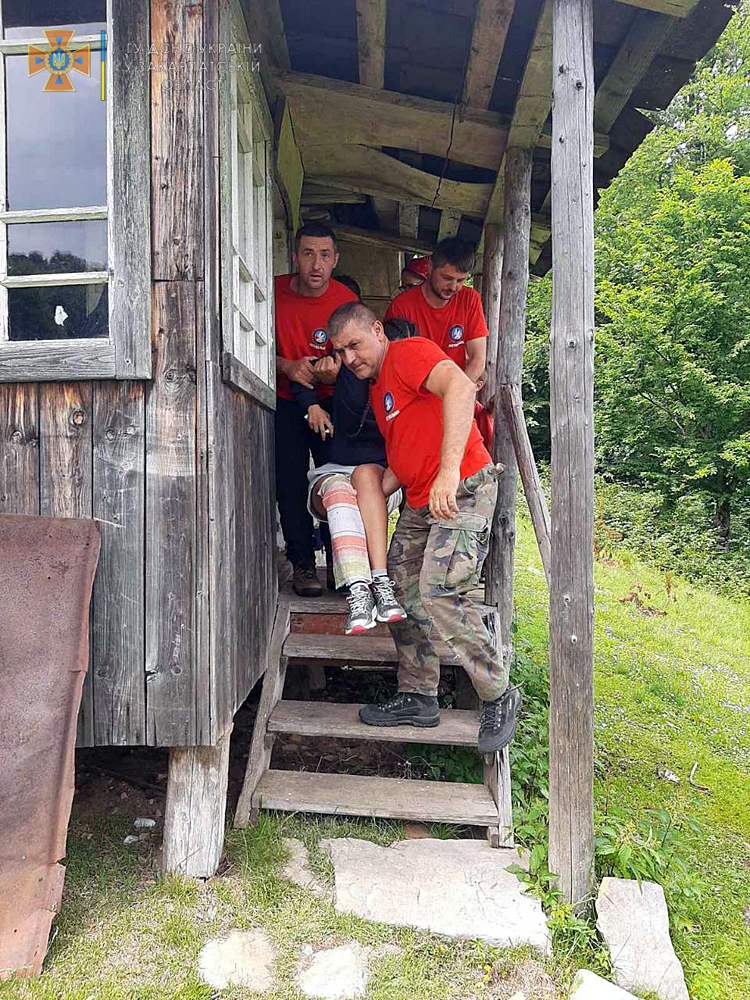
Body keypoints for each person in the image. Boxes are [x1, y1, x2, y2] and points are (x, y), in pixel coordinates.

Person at [327, 301, 521, 755]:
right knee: (396, 588)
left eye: (355, 345)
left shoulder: (408, 352)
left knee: (440, 588)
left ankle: (497, 692)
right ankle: (417, 694)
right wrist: (365, 491)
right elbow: (407, 452)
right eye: (341, 352)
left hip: (462, 487)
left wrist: (449, 472)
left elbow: (459, 387)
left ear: (377, 330)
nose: (351, 358)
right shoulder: (379, 391)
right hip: (420, 499)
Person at [293, 326, 411, 635]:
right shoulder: (349, 365)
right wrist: (312, 405)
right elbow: (301, 376)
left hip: (384, 478)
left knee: (360, 488)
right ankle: (366, 590)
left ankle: (369, 587)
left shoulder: (410, 389)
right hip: (334, 471)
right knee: (338, 489)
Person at [274, 222, 358, 597]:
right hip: (283, 400)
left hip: (330, 402)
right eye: (308, 253)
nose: (316, 264)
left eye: (325, 255)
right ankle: (303, 564)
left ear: (336, 259)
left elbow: (358, 359)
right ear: (295, 256)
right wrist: (286, 365)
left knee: (337, 480)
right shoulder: (271, 291)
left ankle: (343, 567)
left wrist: (336, 369)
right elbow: (248, 343)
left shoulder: (344, 301)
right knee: (289, 485)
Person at [385, 238, 487, 384]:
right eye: (447, 278)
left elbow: (478, 359)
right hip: (416, 392)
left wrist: (456, 393)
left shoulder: (470, 298)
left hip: (455, 391)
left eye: (460, 280)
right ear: (430, 267)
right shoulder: (401, 306)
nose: (453, 287)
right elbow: (395, 365)